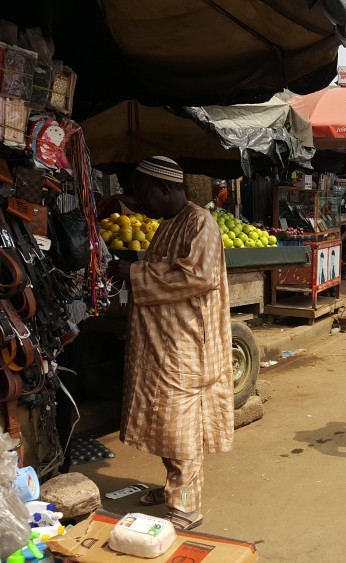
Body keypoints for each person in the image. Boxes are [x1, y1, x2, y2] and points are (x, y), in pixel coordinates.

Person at [113, 156, 232, 531]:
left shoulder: (201, 224)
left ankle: (186, 506)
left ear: (165, 189)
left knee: (181, 429)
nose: (143, 204)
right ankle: (171, 488)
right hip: (160, 347)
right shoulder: (168, 225)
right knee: (164, 422)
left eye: (146, 194)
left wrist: (131, 272)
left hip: (185, 349)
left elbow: (197, 276)